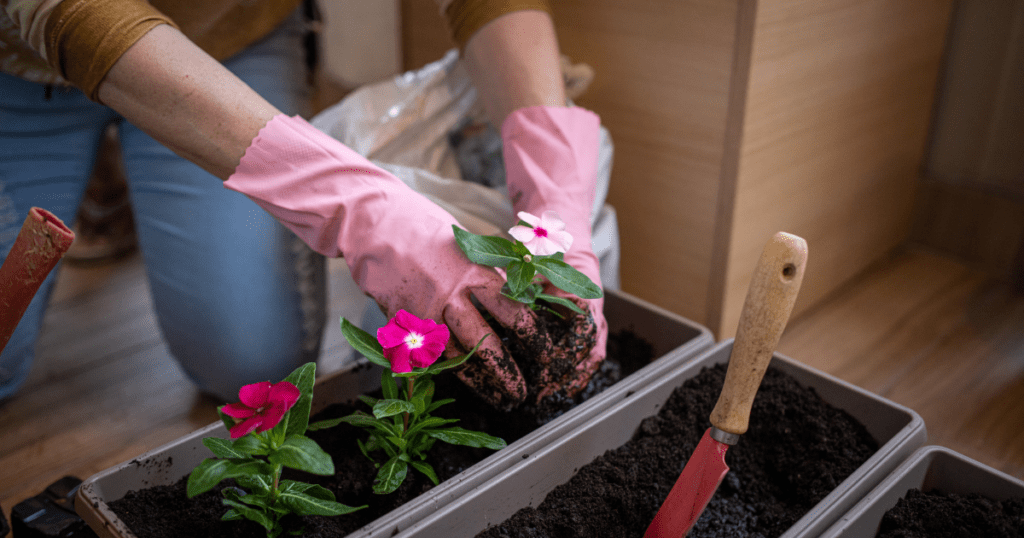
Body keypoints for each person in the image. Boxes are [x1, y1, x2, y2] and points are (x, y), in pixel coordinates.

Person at [0, 0, 607, 411]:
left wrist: (555, 194)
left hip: (221, 40)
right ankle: (106, 176)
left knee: (247, 364)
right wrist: (358, 205)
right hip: (24, 59)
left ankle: (131, 173)